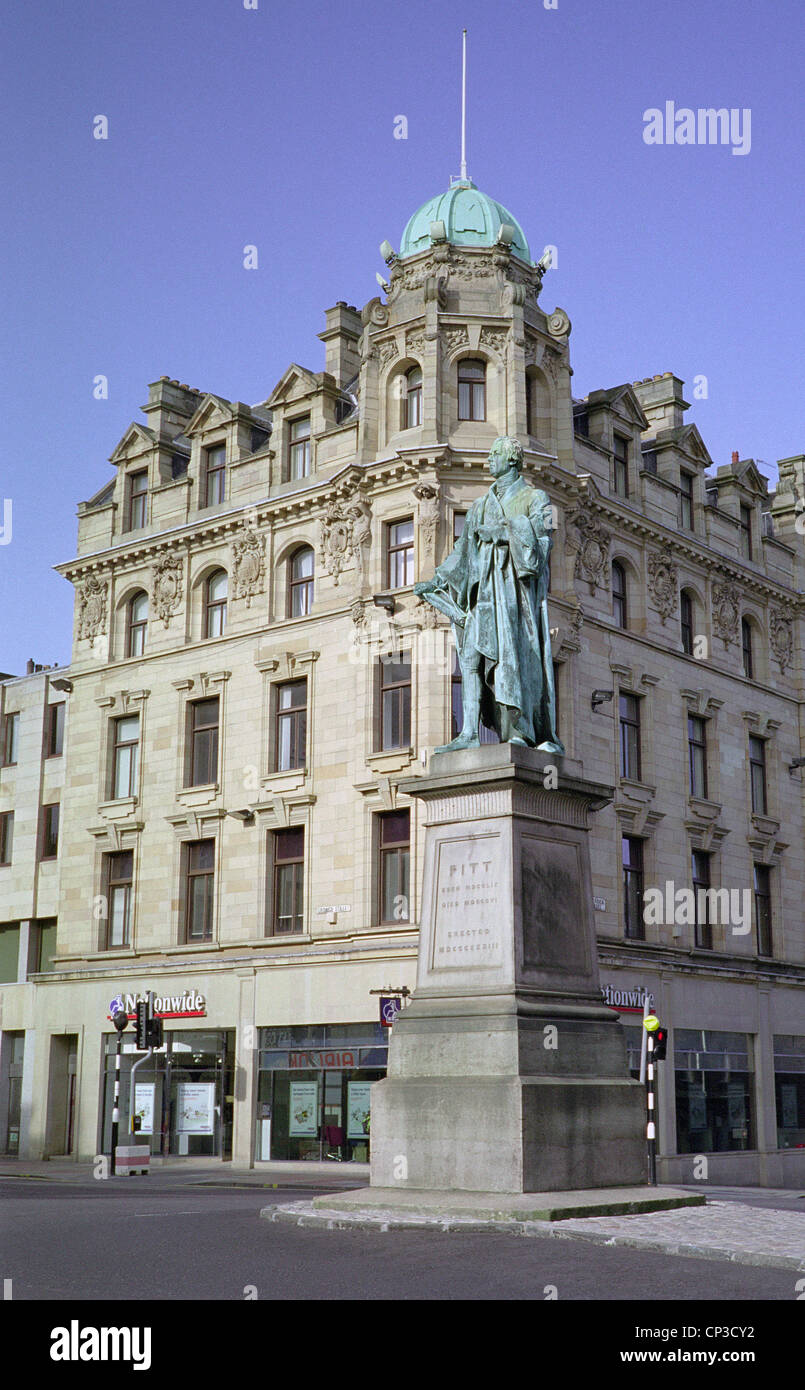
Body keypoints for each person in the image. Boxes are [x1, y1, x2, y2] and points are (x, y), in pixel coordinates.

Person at [414, 435, 563, 753]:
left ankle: (520, 730)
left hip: (513, 596)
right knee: (470, 660)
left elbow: (544, 542)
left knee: (512, 660)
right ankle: (469, 732)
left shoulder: (536, 498)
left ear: (512, 459)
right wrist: (435, 579)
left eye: (495, 454)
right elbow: (462, 551)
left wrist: (505, 531)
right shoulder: (480, 505)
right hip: (482, 594)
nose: (489, 459)